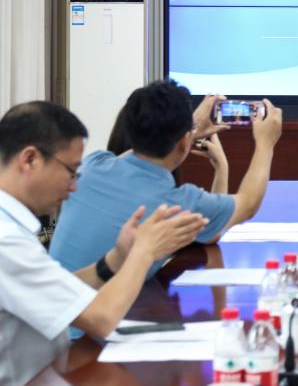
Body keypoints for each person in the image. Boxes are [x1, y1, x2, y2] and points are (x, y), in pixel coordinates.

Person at [0, 101, 207, 386]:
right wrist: (144, 251)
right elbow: (102, 319)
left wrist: (116, 259)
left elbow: (56, 288)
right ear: (30, 160)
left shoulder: (10, 229)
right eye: (71, 171)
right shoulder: (6, 241)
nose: (73, 186)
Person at [50, 80, 283, 278]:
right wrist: (266, 143)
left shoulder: (92, 165)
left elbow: (136, 152)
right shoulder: (178, 204)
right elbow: (248, 203)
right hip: (98, 317)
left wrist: (189, 131)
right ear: (184, 142)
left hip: (50, 309)